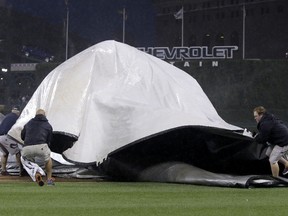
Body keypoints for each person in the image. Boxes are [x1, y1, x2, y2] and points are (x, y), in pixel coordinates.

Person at [21, 109, 55, 186]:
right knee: (48, 159)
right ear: (44, 115)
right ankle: (49, 180)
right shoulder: (48, 125)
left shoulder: (28, 123)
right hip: (41, 146)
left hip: (27, 147)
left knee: (29, 161)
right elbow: (49, 139)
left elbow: (22, 136)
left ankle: (37, 173)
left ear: (35, 115)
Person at [253, 106, 288, 177]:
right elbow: (264, 134)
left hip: (283, 142)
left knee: (272, 160)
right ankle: (287, 163)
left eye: (256, 116)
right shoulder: (266, 120)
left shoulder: (265, 123)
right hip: (277, 141)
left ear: (261, 115)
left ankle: (276, 179)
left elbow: (263, 138)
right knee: (269, 153)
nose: (255, 118)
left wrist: (255, 138)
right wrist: (256, 136)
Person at [0, 106, 23, 176]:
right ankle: (21, 170)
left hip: (0, 137)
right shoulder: (16, 118)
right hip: (6, 137)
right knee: (18, 152)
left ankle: (3, 170)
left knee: (5, 153)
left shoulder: (7, 116)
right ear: (18, 112)